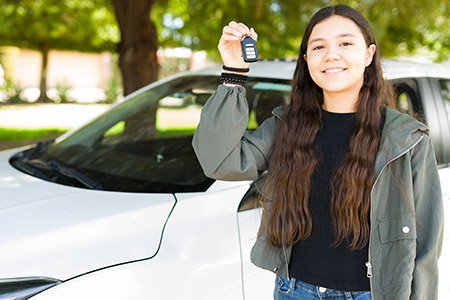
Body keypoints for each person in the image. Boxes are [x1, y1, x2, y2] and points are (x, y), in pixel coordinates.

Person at [192, 4, 443, 300]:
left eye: (346, 43)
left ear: (369, 54)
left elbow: (426, 246)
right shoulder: (286, 126)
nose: (331, 55)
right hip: (293, 291)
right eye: (319, 46)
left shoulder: (406, 139)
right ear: (307, 59)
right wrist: (234, 71)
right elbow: (219, 161)